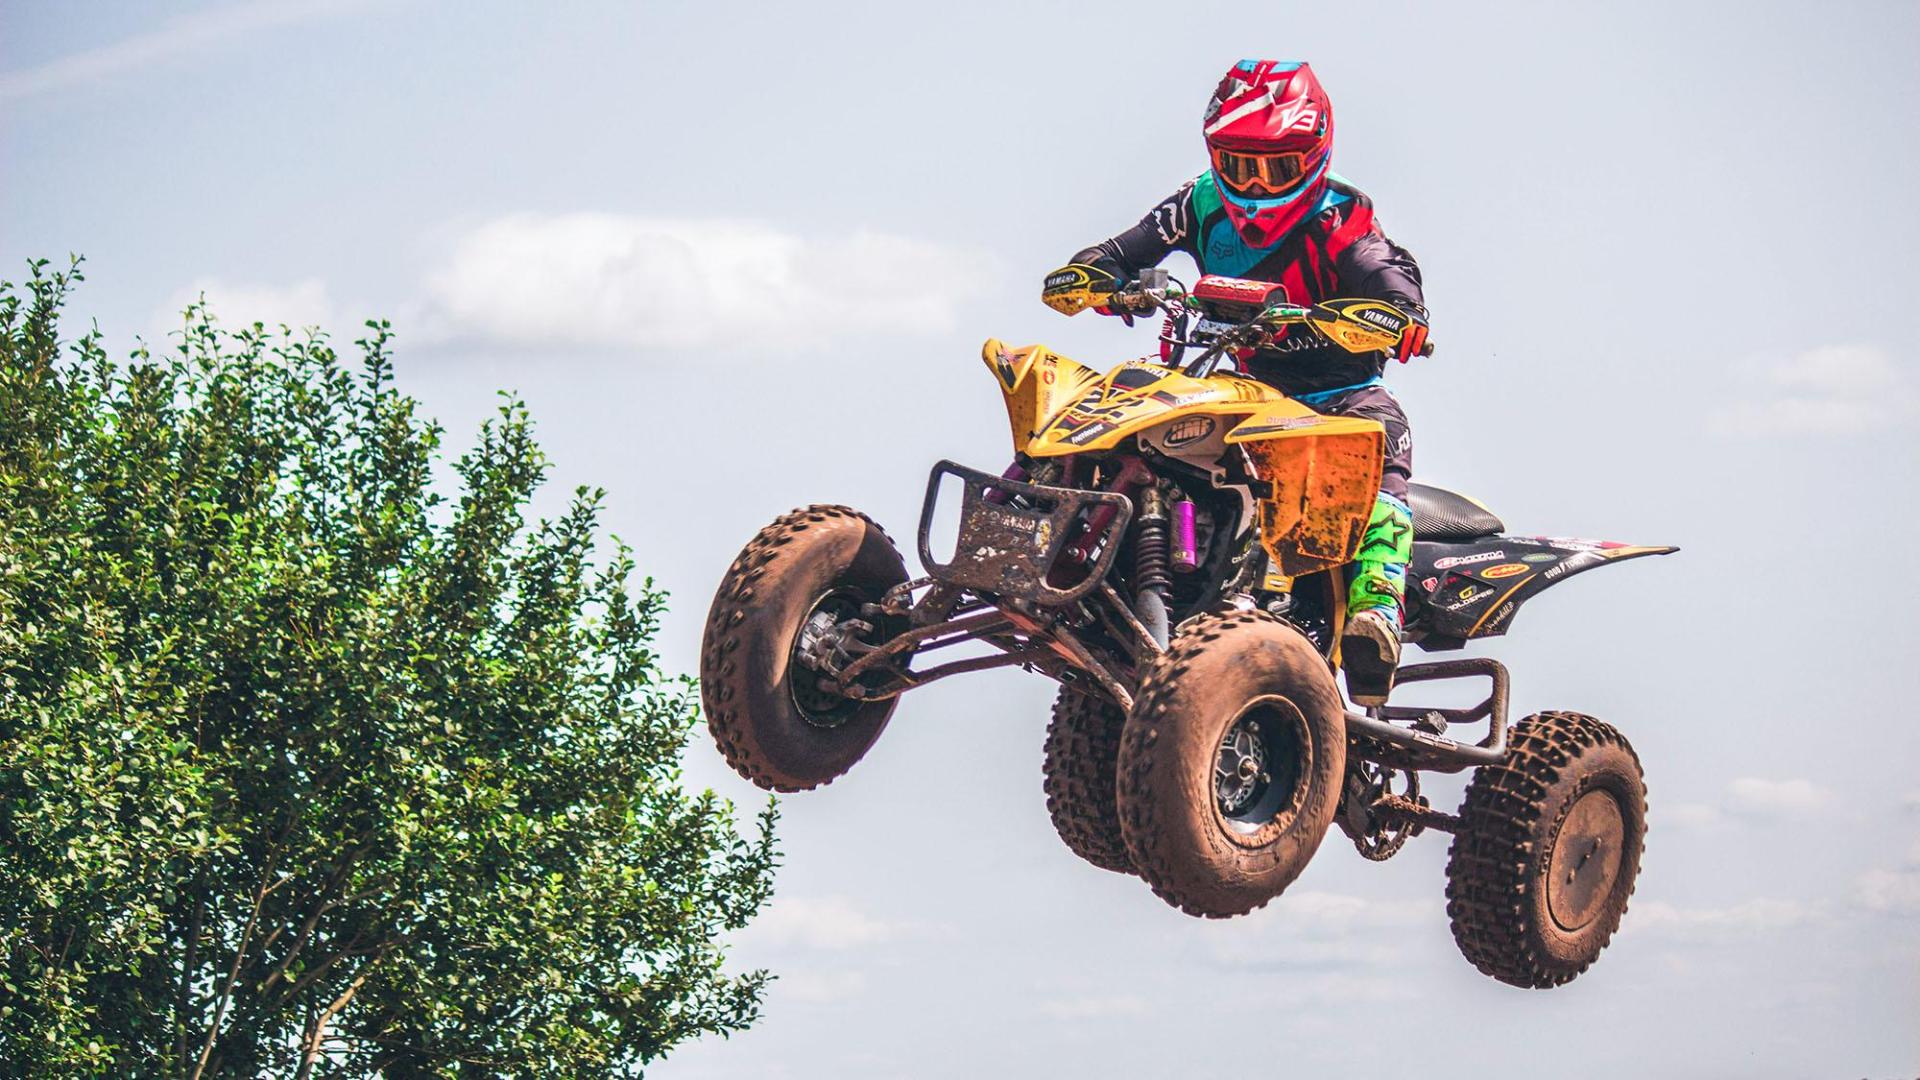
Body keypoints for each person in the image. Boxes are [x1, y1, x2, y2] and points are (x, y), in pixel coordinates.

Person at [1041, 58, 1430, 705]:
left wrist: (1400, 313)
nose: (1253, 183)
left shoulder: (1342, 218)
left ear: (1312, 158)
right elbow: (1124, 249)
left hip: (1335, 400)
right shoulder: (1198, 203)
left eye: (1273, 168)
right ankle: (1054, 548)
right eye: (1239, 162)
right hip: (1240, 392)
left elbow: (1387, 272)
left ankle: (1376, 612)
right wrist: (1099, 276)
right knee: (1131, 417)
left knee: (1384, 435)